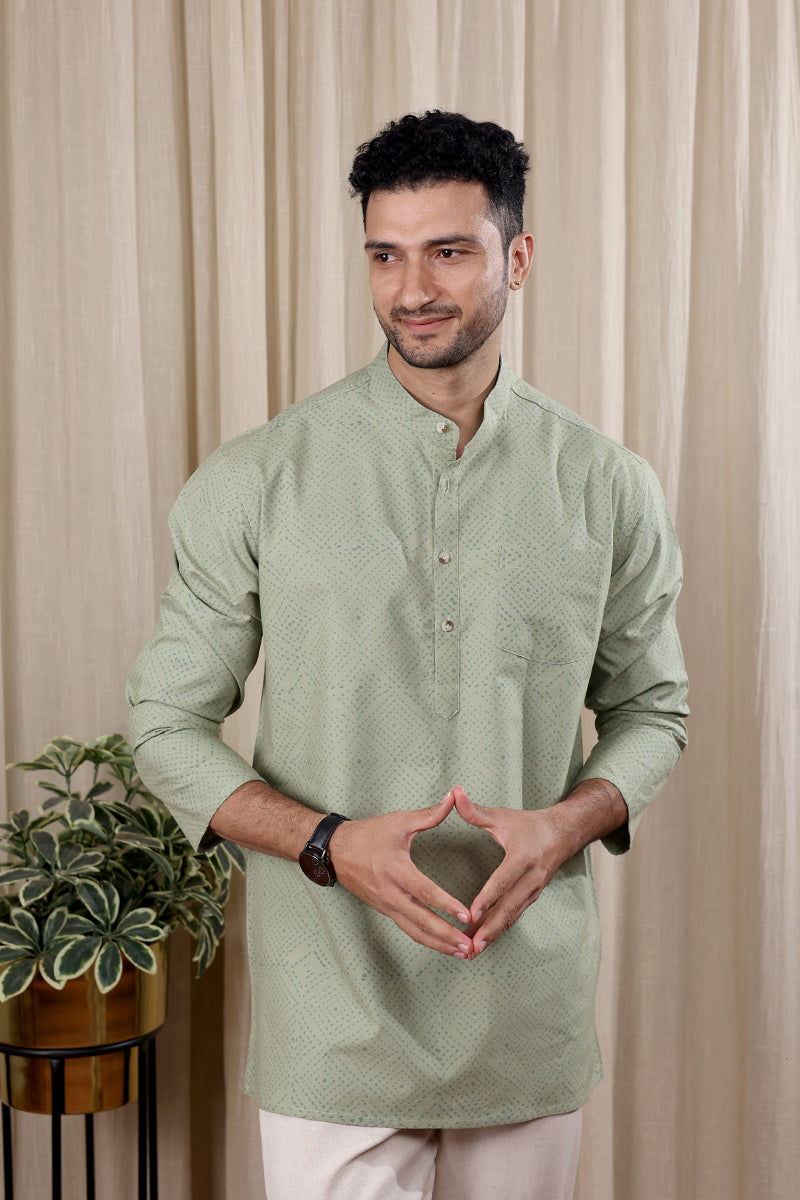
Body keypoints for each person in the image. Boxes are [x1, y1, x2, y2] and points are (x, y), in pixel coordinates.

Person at [127, 111, 688, 1200]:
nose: (412, 288)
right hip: (330, 1017)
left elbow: (652, 711)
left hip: (523, 1012)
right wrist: (329, 843)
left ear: (516, 258)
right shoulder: (258, 477)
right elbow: (163, 723)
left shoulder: (607, 485)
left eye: (448, 251)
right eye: (384, 255)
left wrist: (562, 825)